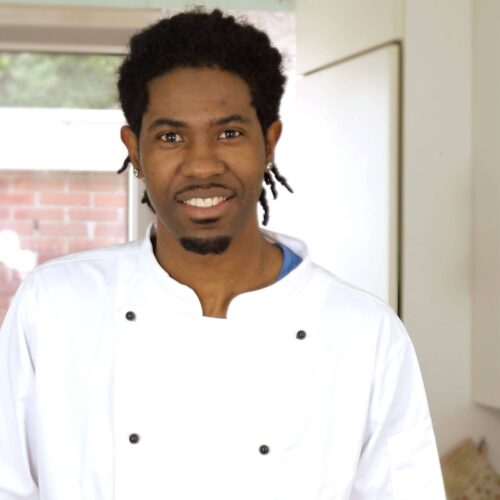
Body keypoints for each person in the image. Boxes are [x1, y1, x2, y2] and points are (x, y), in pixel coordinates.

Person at [0, 9, 446, 500]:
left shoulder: (364, 332)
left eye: (229, 133)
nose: (202, 165)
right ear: (135, 150)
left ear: (269, 142)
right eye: (171, 137)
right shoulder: (54, 305)